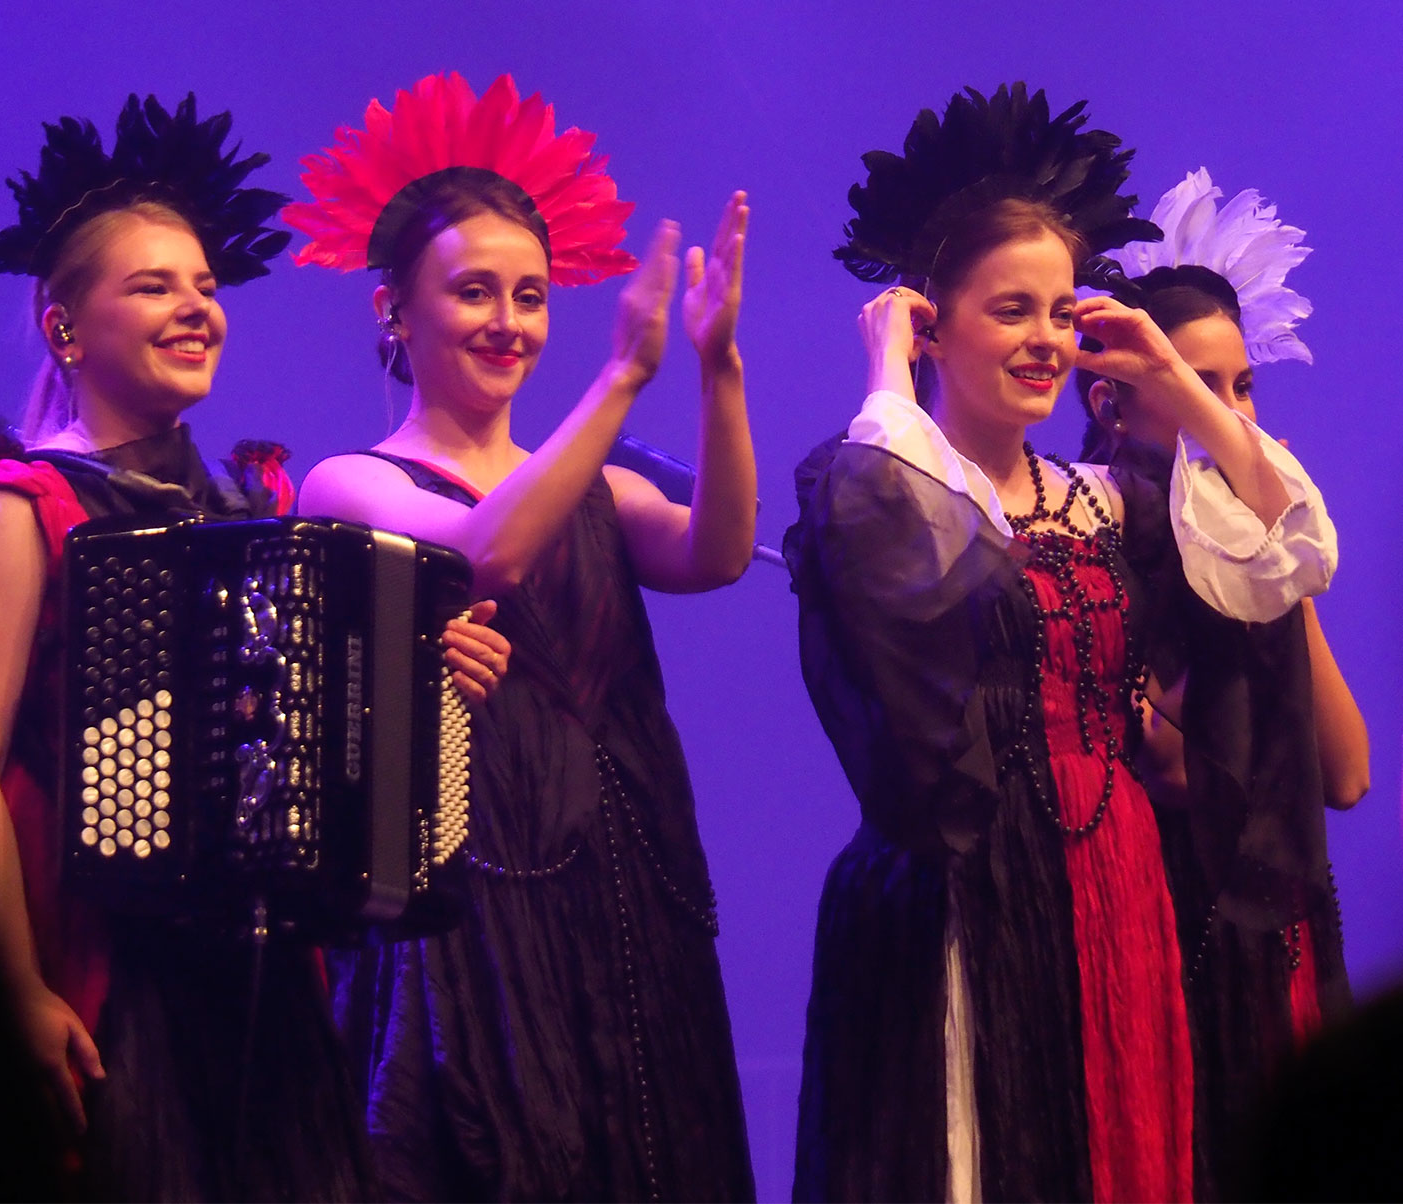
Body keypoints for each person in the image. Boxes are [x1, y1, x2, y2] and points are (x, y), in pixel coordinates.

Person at [0, 93, 508, 1200]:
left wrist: (431, 688)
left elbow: (303, 740)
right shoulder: (17, 511)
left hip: (257, 983)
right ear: (65, 325)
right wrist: (14, 987)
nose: (198, 307)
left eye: (203, 284)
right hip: (103, 970)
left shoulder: (249, 509)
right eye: (154, 285)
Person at [785, 84, 1339, 1203]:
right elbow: (905, 579)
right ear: (932, 321)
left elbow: (1289, 545)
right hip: (957, 888)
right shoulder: (869, 482)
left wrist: (1173, 377)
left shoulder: (1108, 500)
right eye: (1010, 310)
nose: (1045, 340)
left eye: (1058, 311)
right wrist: (888, 371)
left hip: (1114, 872)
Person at [284, 72, 757, 1202]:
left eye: (532, 295)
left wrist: (716, 367)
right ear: (395, 308)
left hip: (623, 877)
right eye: (476, 292)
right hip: (468, 902)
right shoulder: (352, 480)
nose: (510, 322)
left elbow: (719, 552)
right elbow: (480, 553)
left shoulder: (590, 484)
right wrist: (622, 375)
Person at [1080, 168, 1365, 1192]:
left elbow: (1344, 773)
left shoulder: (1262, 555)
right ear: (1112, 403)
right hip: (1160, 934)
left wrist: (1284, 582)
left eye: (1242, 387)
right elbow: (1179, 775)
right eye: (1199, 390)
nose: (1231, 415)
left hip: (1279, 940)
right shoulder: (1101, 546)